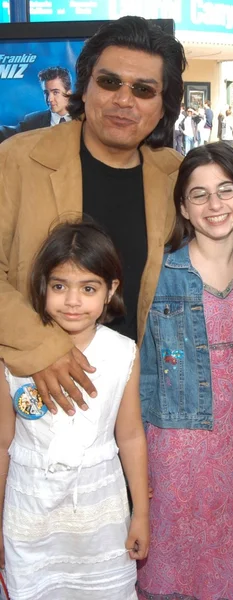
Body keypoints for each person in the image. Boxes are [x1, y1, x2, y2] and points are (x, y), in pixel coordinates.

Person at [0, 16, 186, 415]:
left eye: (143, 89)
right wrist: (42, 347)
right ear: (84, 88)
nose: (124, 100)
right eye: (109, 82)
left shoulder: (176, 176)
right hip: (32, 398)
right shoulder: (17, 159)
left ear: (162, 106)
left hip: (135, 407)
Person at [137, 143, 233, 600]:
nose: (215, 205)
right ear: (182, 206)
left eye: (226, 190)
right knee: (173, 577)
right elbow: (142, 369)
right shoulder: (159, 272)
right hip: (175, 451)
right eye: (199, 195)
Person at [0, 221, 149, 600]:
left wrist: (142, 515)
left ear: (111, 289)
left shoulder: (122, 353)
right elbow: (2, 442)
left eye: (88, 288)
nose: (72, 301)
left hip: (100, 521)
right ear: (42, 286)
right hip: (30, 516)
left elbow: (130, 436)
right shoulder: (13, 356)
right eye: (59, 286)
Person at [0, 66, 72, 142]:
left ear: (69, 94)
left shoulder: (83, 119)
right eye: (46, 93)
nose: (49, 99)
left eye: (55, 92)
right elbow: (8, 134)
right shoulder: (33, 121)